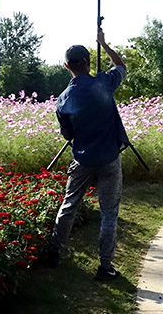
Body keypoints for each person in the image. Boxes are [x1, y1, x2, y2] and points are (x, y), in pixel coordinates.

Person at [43, 28, 129, 281]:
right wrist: (104, 44)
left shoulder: (63, 100)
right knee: (109, 213)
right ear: (88, 63)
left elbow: (67, 135)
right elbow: (121, 65)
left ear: (66, 66)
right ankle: (105, 267)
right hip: (109, 158)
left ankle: (53, 253)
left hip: (82, 159)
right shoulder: (103, 82)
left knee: (68, 206)